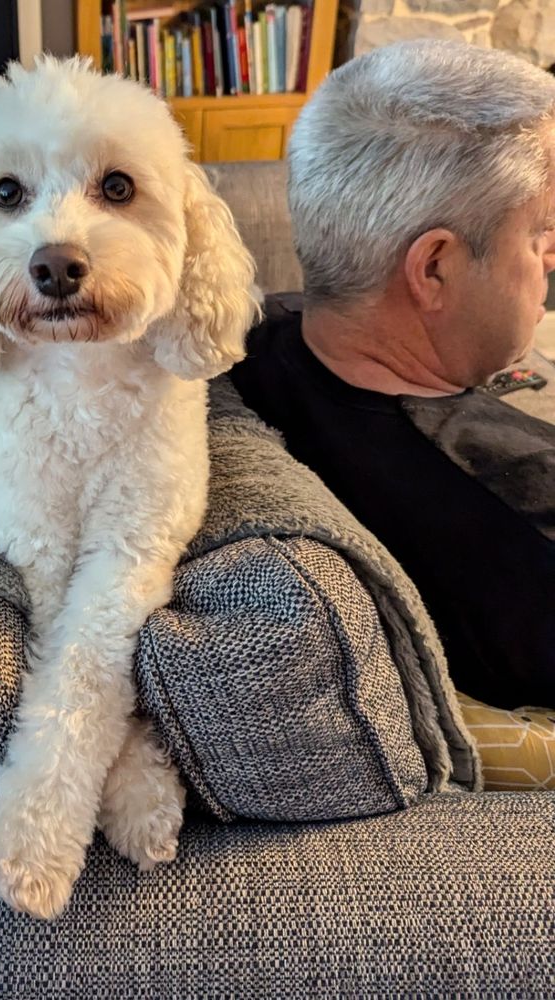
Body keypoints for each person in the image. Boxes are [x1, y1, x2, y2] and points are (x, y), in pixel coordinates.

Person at [229, 39, 555, 711]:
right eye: (539, 233)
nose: (550, 258)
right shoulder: (520, 522)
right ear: (432, 268)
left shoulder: (257, 338)